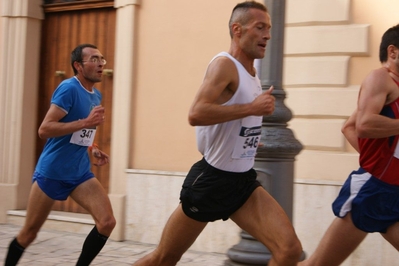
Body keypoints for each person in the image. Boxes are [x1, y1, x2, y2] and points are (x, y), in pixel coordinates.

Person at [133, 2, 302, 266]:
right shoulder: (225, 65)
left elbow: (234, 121)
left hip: (242, 182)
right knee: (164, 258)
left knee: (289, 250)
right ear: (237, 29)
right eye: (260, 27)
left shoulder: (252, 73)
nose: (268, 35)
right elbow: (197, 113)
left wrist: (248, 141)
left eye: (268, 28)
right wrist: (252, 107)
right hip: (211, 181)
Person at [4, 44, 116, 266]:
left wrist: (92, 147)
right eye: (94, 59)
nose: (101, 63)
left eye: (102, 58)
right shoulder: (68, 89)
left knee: (107, 222)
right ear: (78, 66)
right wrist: (85, 122)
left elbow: (80, 132)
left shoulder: (96, 94)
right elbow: (45, 129)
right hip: (53, 171)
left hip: (80, 171)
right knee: (29, 233)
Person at [298, 24, 399, 266]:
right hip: (372, 190)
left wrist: (381, 157)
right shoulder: (380, 78)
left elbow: (348, 127)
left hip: (394, 191)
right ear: (393, 52)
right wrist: (376, 165)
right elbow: (363, 125)